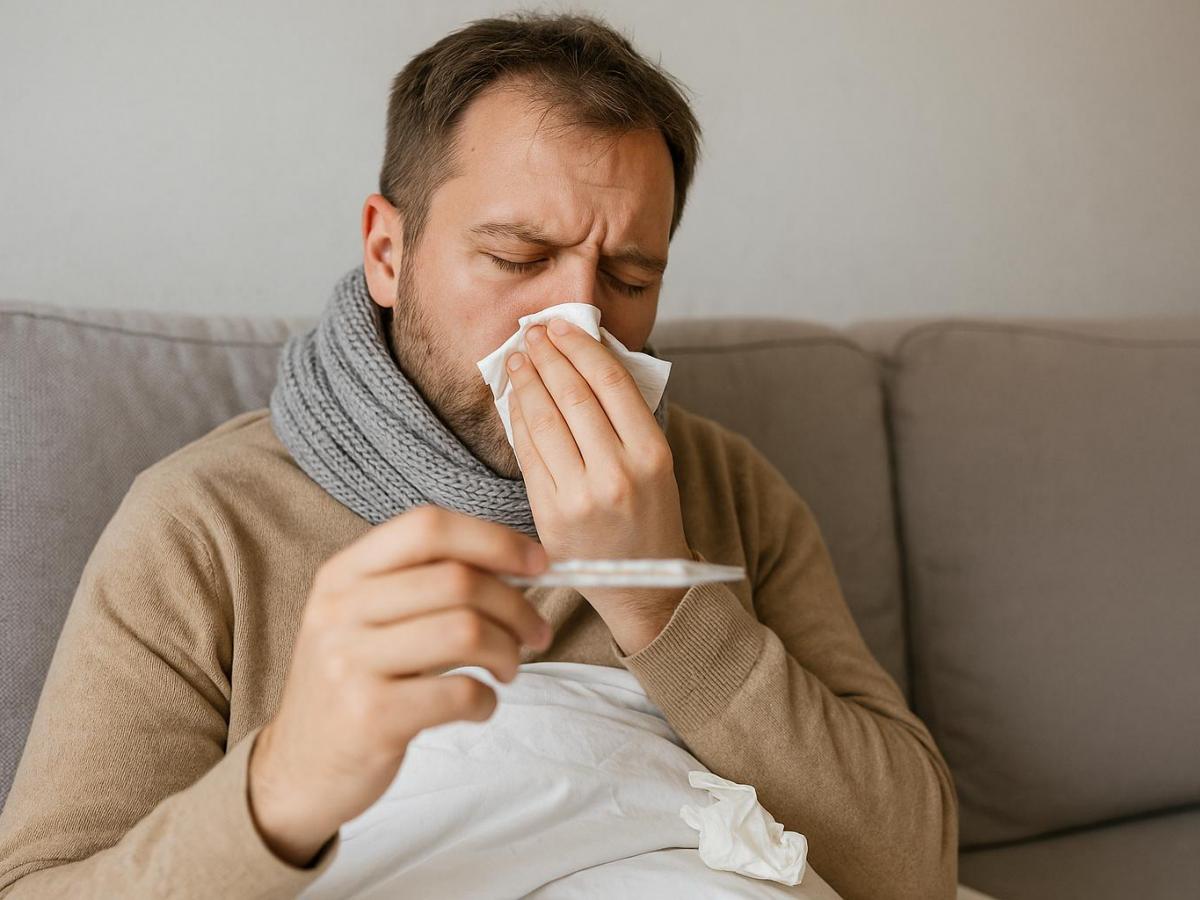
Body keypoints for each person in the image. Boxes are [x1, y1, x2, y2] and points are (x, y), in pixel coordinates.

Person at [0, 12, 957, 899]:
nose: (576, 321)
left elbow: (912, 868)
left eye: (629, 278)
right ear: (388, 252)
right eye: (515, 258)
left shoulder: (727, 487)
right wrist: (284, 783)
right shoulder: (204, 522)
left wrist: (655, 593)